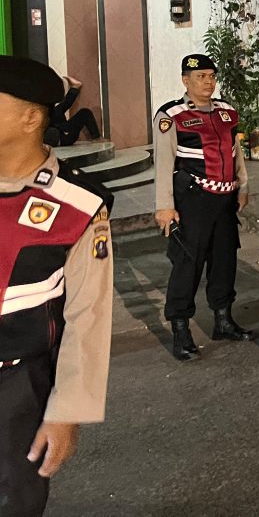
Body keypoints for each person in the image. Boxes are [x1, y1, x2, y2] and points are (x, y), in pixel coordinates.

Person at [0, 55, 114, 516]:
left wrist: (66, 412)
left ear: (31, 118)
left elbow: (89, 313)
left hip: (16, 386)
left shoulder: (79, 204)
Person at [153, 54, 253, 362]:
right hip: (193, 199)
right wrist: (164, 207)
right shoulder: (172, 115)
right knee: (188, 264)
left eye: (211, 76)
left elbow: (236, 152)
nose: (207, 82)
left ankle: (223, 320)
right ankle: (181, 331)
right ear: (186, 80)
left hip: (224, 200)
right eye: (200, 77)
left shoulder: (227, 112)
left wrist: (243, 185)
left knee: (224, 259)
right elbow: (164, 162)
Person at [43, 77, 101, 148]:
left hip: (63, 133)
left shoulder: (51, 110)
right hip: (60, 136)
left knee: (82, 112)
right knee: (57, 110)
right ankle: (75, 87)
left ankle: (75, 87)